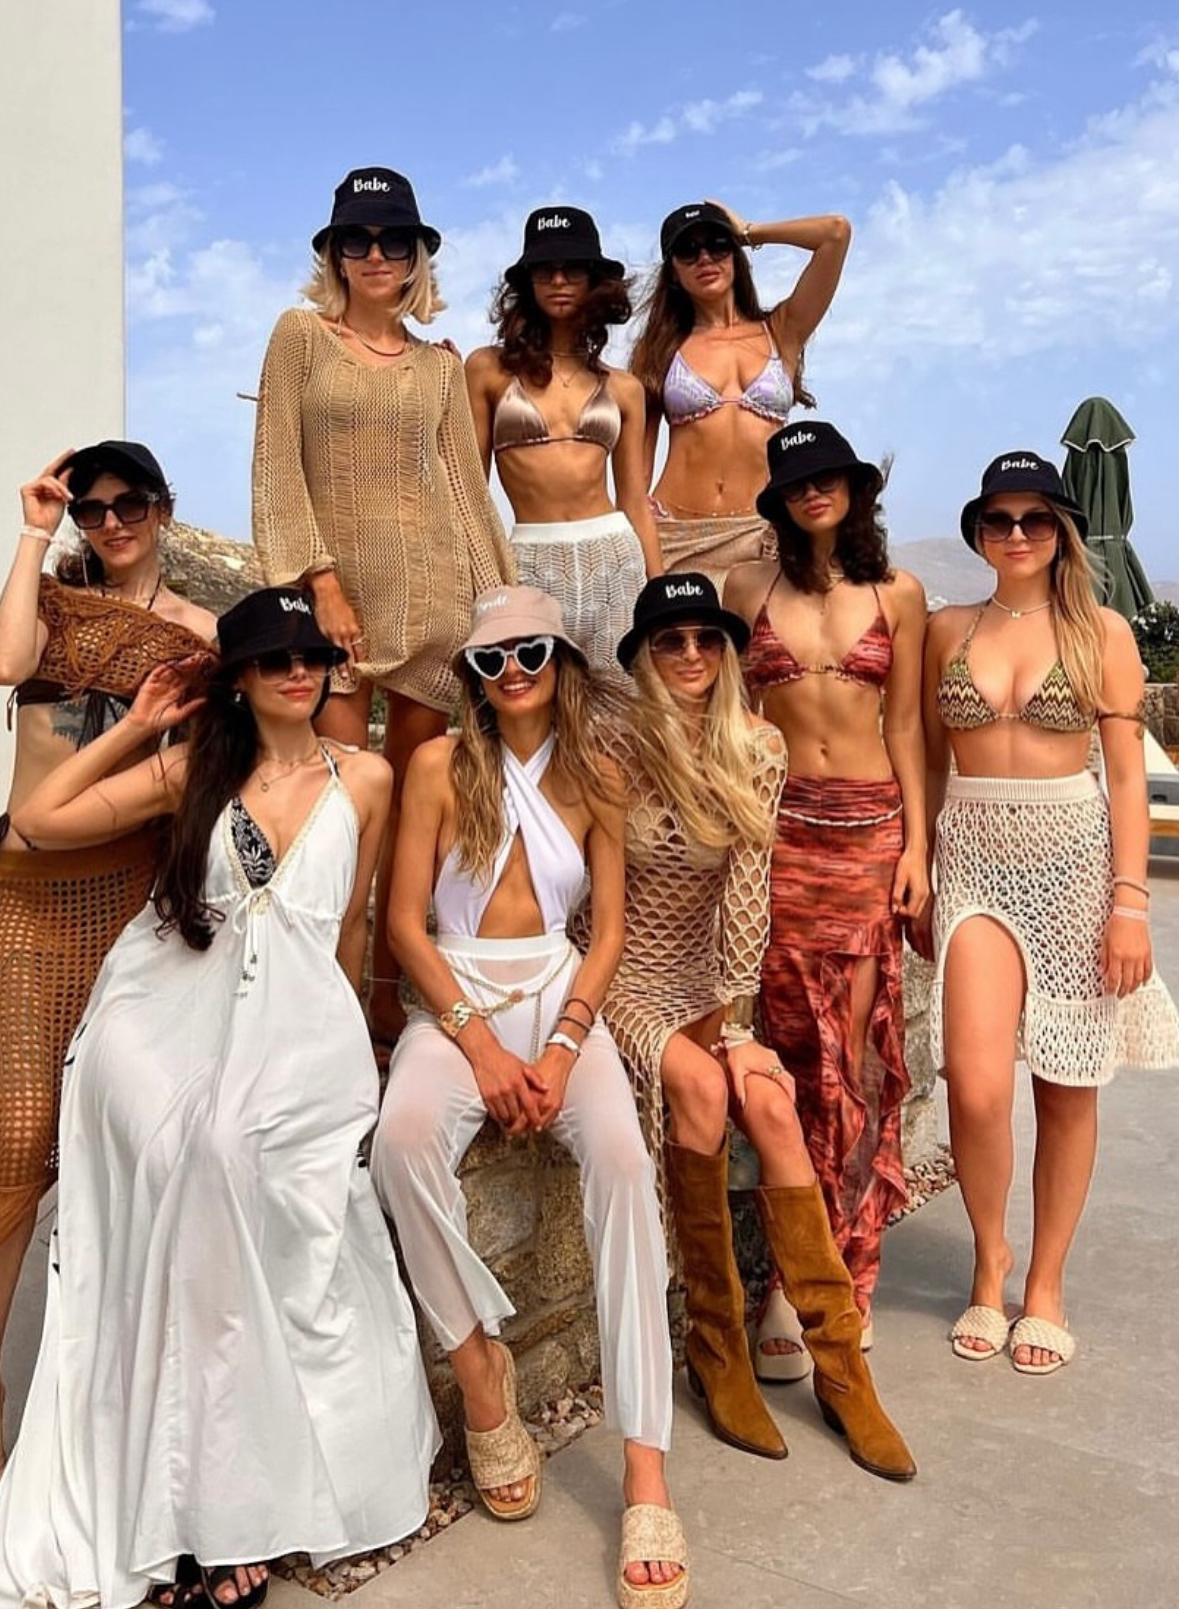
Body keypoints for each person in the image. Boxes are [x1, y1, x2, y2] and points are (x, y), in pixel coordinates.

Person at [0, 588, 440, 1606]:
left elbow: (348, 928)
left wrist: (354, 1042)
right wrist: (138, 729)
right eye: (274, 657)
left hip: (298, 1022)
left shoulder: (367, 775)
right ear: (238, 676)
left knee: (231, 1157)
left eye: (311, 655)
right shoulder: (193, 767)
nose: (298, 672)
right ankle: (201, 1510)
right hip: (163, 1010)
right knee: (192, 1155)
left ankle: (223, 1489)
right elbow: (37, 820)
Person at [370, 586, 688, 1609]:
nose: (512, 673)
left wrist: (558, 1047)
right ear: (472, 675)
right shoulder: (434, 767)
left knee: (626, 1164)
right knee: (400, 1141)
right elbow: (405, 926)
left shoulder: (597, 771)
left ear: (562, 661)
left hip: (556, 998)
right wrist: (475, 1040)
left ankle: (646, 1468)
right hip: (457, 997)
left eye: (530, 654)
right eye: (491, 659)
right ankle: (480, 1369)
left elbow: (606, 931)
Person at [601, 572, 915, 1482]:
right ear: (644, 656)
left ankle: (840, 1366)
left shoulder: (758, 744)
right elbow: (602, 906)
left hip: (708, 981)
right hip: (625, 973)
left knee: (772, 1104)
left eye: (707, 638)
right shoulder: (615, 744)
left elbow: (747, 895)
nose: (691, 653)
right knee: (701, 1089)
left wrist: (736, 1020)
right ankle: (715, 1345)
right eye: (670, 640)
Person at [914, 451, 1179, 1373]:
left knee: (1066, 1084)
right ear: (978, 533)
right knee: (975, 1084)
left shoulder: (1100, 631)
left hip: (1073, 866)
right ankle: (988, 1259)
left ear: (1061, 530)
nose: (1015, 534)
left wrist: (1130, 902)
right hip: (973, 863)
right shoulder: (945, 628)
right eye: (998, 519)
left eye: (1034, 519)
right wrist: (917, 859)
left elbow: (1125, 778)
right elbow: (927, 759)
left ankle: (1046, 1284)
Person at [252, 164, 515, 1045]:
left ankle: (389, 1003)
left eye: (393, 240)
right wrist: (319, 581)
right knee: (333, 812)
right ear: (333, 253)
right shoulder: (299, 336)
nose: (375, 254)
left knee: (409, 813)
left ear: (416, 257)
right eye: (356, 240)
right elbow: (277, 463)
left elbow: (465, 491)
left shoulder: (439, 367)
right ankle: (322, 999)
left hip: (431, 608)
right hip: (332, 613)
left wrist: (499, 603)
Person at [0, 442, 214, 1466]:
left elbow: (202, 767)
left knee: (118, 1147)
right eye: (92, 509)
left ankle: (98, 1421)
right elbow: (8, 664)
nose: (112, 523)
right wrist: (34, 527)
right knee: (15, 1143)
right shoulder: (46, 607)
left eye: (130, 504)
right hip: (24, 900)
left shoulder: (200, 635)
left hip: (127, 901)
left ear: (163, 508)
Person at [724, 423, 927, 1372]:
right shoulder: (746, 589)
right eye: (796, 481)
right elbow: (728, 720)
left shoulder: (897, 594)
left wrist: (916, 845)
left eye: (828, 477)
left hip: (867, 829)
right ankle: (790, 1277)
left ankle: (845, 1269)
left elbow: (907, 725)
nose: (814, 492)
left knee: (850, 1058)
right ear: (778, 499)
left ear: (853, 489)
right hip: (776, 828)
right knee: (788, 1054)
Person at [465, 207, 660, 688]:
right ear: (526, 282)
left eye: (571, 269)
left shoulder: (624, 388)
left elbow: (634, 500)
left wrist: (660, 595)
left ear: (594, 280)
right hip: (527, 562)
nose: (557, 281)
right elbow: (469, 491)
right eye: (544, 270)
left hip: (616, 560)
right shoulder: (488, 369)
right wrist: (479, 578)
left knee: (622, 704)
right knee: (530, 705)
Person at [629, 200, 850, 590]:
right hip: (677, 536)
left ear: (736, 256)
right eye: (688, 251)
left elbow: (835, 233)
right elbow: (636, 477)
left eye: (718, 245)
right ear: (673, 272)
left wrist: (749, 231)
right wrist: (654, 574)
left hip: (765, 532)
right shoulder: (659, 349)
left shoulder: (781, 331)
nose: (705, 258)